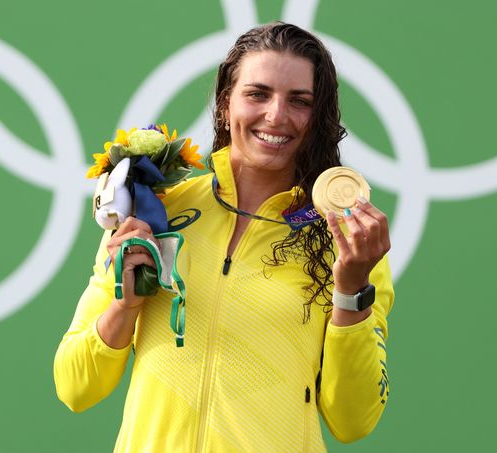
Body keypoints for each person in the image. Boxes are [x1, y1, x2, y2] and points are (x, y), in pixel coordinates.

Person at [54, 22, 394, 452]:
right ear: (224, 103)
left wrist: (351, 291)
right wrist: (125, 306)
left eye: (299, 101)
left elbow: (353, 419)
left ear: (318, 118)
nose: (276, 116)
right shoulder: (158, 210)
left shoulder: (346, 240)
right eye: (258, 94)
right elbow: (74, 385)